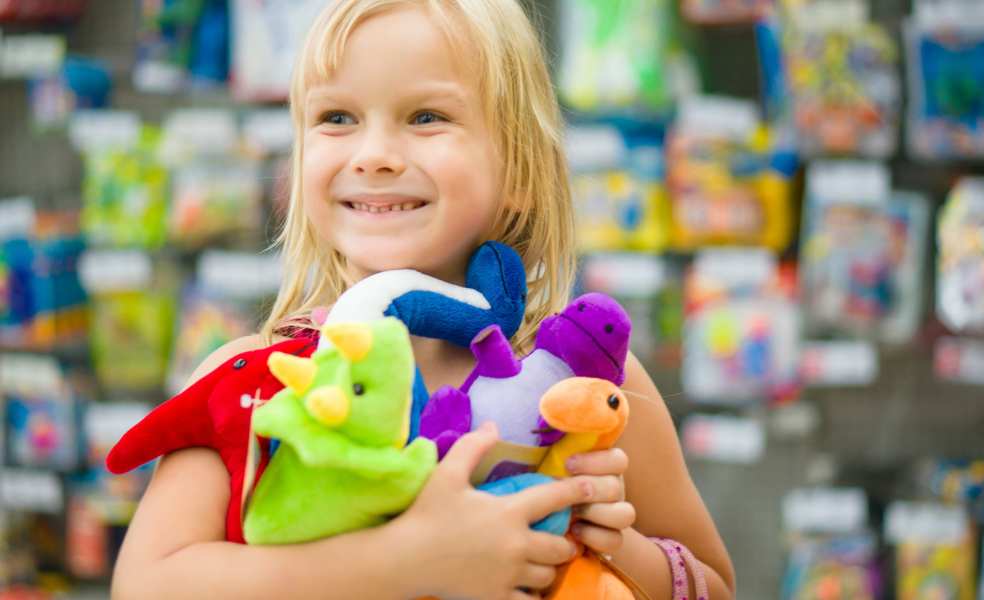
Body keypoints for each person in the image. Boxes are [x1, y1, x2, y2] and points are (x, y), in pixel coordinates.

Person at [111, 1, 736, 598]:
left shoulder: (580, 383)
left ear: (519, 169)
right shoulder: (254, 377)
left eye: (426, 117)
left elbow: (716, 584)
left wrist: (613, 542)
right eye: (337, 118)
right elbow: (145, 586)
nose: (375, 156)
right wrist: (408, 560)